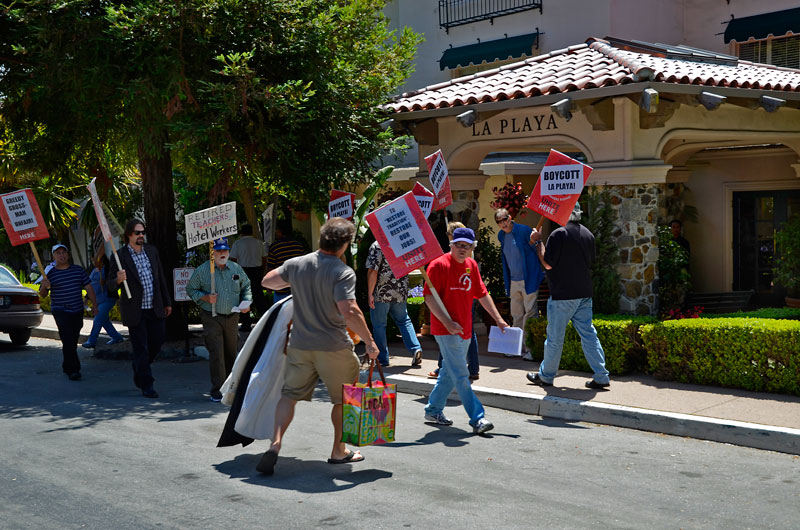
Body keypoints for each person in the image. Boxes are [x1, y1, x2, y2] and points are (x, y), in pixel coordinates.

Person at [258, 218, 379, 475]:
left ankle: (275, 443)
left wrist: (299, 284)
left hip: (299, 345)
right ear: (344, 244)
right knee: (343, 400)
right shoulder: (341, 271)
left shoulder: (297, 264)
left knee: (289, 396)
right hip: (333, 346)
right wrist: (369, 341)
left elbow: (268, 281)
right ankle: (339, 451)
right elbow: (349, 310)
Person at [423, 227, 508, 434]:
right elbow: (429, 297)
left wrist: (498, 319)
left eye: (467, 246)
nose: (462, 249)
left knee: (449, 373)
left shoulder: (471, 265)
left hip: (465, 329)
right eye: (459, 245)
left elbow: (482, 293)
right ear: (451, 244)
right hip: (446, 330)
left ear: (472, 248)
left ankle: (433, 409)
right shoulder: (438, 265)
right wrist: (448, 323)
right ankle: (477, 418)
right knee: (461, 373)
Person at [526, 203, 611, 390]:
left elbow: (547, 264)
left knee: (555, 337)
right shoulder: (588, 234)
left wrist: (538, 241)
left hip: (562, 294)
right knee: (589, 334)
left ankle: (546, 375)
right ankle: (601, 375)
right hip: (584, 293)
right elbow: (591, 262)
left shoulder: (559, 234)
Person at [107, 219, 172, 398]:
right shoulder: (119, 256)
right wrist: (118, 280)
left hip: (155, 307)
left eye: (143, 232)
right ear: (129, 234)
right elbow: (110, 285)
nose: (141, 235)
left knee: (157, 342)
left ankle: (139, 365)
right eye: (137, 233)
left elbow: (160, 279)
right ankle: (147, 384)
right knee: (141, 348)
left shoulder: (152, 252)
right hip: (135, 310)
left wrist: (167, 302)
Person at [186, 237, 252, 402]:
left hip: (232, 316)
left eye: (225, 250)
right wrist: (205, 297)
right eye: (219, 250)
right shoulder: (203, 271)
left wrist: (247, 302)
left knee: (231, 351)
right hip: (211, 316)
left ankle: (232, 387)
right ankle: (218, 390)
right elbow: (191, 289)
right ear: (212, 252)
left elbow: (246, 286)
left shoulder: (236, 268)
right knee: (216, 352)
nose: (222, 253)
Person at [427, 222, 480, 381]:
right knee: (463, 335)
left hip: (460, 301)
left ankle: (446, 368)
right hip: (464, 299)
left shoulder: (465, 259)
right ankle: (467, 369)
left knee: (453, 334)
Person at [38, 244, 98, 381]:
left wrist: (95, 305)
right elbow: (42, 295)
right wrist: (44, 286)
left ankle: (66, 364)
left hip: (76, 310)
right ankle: (74, 369)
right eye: (58, 253)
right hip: (60, 310)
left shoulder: (78, 270)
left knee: (72, 338)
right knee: (67, 337)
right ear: (54, 256)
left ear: (68, 254)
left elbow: (88, 287)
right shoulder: (50, 273)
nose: (61, 255)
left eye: (63, 252)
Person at [495, 208, 545, 360]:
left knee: (530, 314)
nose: (503, 223)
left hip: (528, 279)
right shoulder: (501, 236)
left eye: (504, 219)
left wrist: (536, 239)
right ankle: (516, 348)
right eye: (499, 221)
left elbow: (537, 246)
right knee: (516, 315)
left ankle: (530, 349)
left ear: (510, 218)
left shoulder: (524, 230)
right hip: (513, 281)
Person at [366, 239, 423, 368]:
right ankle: (415, 349)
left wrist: (370, 293)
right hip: (400, 290)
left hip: (382, 292)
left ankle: (382, 359)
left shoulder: (377, 246)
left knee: (379, 325)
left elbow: (372, 271)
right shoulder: (401, 243)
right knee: (404, 320)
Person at [82, 252, 125, 349]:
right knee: (104, 321)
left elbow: (113, 283)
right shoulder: (93, 270)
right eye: (92, 259)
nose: (93, 260)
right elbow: (91, 286)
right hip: (98, 300)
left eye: (95, 259)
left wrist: (105, 281)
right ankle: (117, 337)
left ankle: (92, 340)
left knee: (98, 319)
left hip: (108, 299)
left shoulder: (108, 269)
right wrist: (86, 299)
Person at [229, 224, 267, 332]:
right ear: (251, 232)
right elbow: (264, 258)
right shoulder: (259, 243)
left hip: (243, 271)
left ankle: (246, 324)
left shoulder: (238, 243)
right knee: (259, 297)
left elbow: (233, 259)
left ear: (242, 232)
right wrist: (262, 270)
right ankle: (264, 322)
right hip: (257, 270)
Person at [265, 221, 305, 303]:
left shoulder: (275, 247)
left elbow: (270, 267)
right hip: (297, 288)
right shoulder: (298, 245)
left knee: (281, 314)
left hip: (281, 289)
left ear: (280, 231)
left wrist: (269, 285)